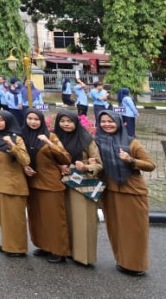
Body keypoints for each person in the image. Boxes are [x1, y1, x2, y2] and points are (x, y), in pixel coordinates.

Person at [96, 110, 155, 276]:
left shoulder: (131, 143)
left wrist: (131, 160)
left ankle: (136, 265)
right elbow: (95, 164)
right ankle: (122, 261)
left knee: (135, 231)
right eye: (103, 121)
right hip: (111, 193)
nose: (107, 124)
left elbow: (150, 165)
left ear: (119, 122)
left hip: (133, 192)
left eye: (111, 121)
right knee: (116, 229)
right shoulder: (98, 142)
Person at [53, 111, 102, 267]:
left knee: (83, 220)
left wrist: (86, 166)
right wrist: (59, 167)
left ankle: (83, 256)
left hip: (82, 185)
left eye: (70, 121)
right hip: (60, 184)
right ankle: (65, 251)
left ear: (76, 123)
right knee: (64, 220)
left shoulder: (86, 139)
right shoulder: (54, 138)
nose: (66, 124)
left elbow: (99, 164)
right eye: (63, 121)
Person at [22, 108, 71, 262]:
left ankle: (59, 250)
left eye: (36, 119)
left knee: (54, 219)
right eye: (30, 118)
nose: (33, 122)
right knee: (37, 218)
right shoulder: (23, 136)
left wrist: (48, 143)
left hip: (50, 184)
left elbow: (65, 157)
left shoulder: (51, 136)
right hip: (32, 183)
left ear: (42, 120)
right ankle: (44, 246)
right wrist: (23, 167)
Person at [0, 110, 30, 257]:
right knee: (5, 218)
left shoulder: (16, 138)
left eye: (1, 120)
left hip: (13, 184)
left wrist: (11, 145)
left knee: (15, 218)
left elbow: (25, 160)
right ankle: (8, 244)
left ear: (8, 121)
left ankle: (17, 248)